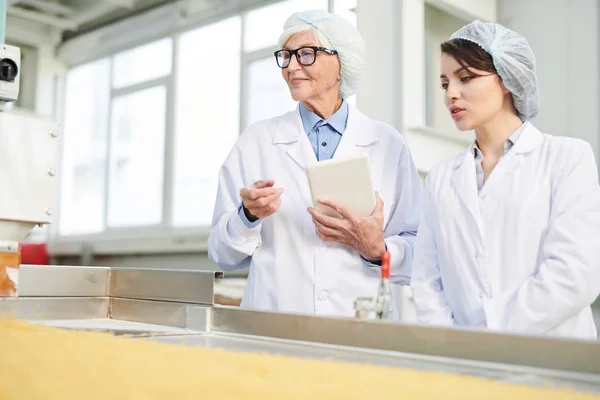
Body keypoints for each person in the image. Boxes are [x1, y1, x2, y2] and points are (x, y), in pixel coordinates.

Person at [208, 10, 421, 318]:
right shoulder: (257, 141)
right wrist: (248, 216)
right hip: (275, 325)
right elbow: (221, 255)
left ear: (341, 63)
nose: (292, 66)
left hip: (360, 326)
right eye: (286, 55)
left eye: (306, 54)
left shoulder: (387, 144)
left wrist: (379, 250)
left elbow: (421, 253)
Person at [410, 20, 600, 339]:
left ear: (509, 79)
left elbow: (575, 274)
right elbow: (427, 280)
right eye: (445, 84)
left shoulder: (567, 158)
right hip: (464, 367)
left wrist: (488, 333)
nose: (451, 94)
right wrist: (452, 345)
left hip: (552, 363)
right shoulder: (441, 178)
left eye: (466, 78)